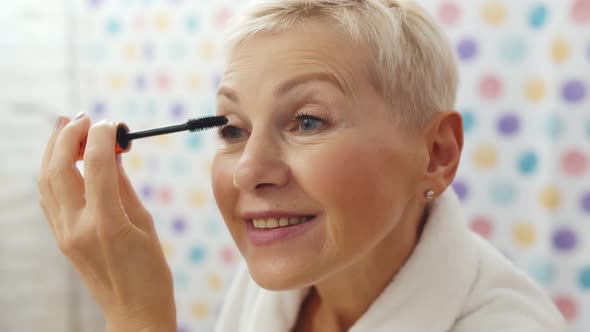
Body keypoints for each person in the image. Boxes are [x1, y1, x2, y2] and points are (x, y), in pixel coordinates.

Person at [38, 0, 566, 331]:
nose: (248, 170)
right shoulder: (284, 274)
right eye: (232, 128)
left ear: (436, 154)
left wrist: (137, 317)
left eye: (307, 121)